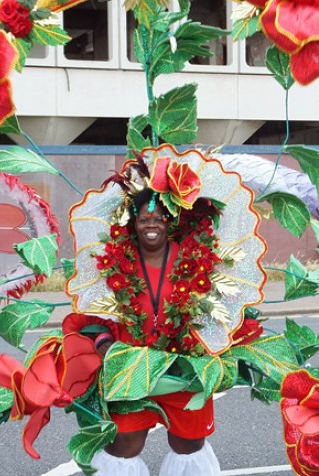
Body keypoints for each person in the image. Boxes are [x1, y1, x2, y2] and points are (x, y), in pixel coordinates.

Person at [89, 188, 221, 476]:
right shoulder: (115, 261)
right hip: (131, 367)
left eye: (159, 218)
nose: (152, 224)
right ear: (133, 223)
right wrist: (103, 340)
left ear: (169, 222)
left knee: (188, 445)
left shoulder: (194, 258)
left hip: (182, 368)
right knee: (124, 444)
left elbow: (217, 309)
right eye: (145, 219)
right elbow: (94, 310)